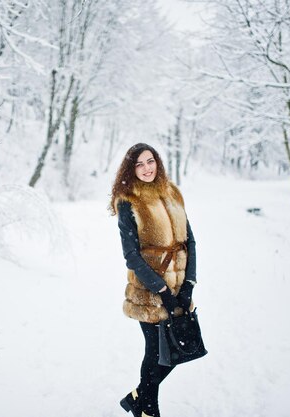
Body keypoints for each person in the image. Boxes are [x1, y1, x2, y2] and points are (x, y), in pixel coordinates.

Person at [109, 143, 197, 417]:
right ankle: (148, 410)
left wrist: (188, 285)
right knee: (156, 352)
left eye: (150, 161)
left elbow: (190, 241)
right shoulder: (128, 201)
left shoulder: (172, 193)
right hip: (149, 290)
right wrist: (163, 291)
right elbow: (131, 256)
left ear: (157, 162)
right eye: (139, 164)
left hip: (180, 286)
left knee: (176, 350)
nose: (147, 168)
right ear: (131, 169)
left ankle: (138, 397)